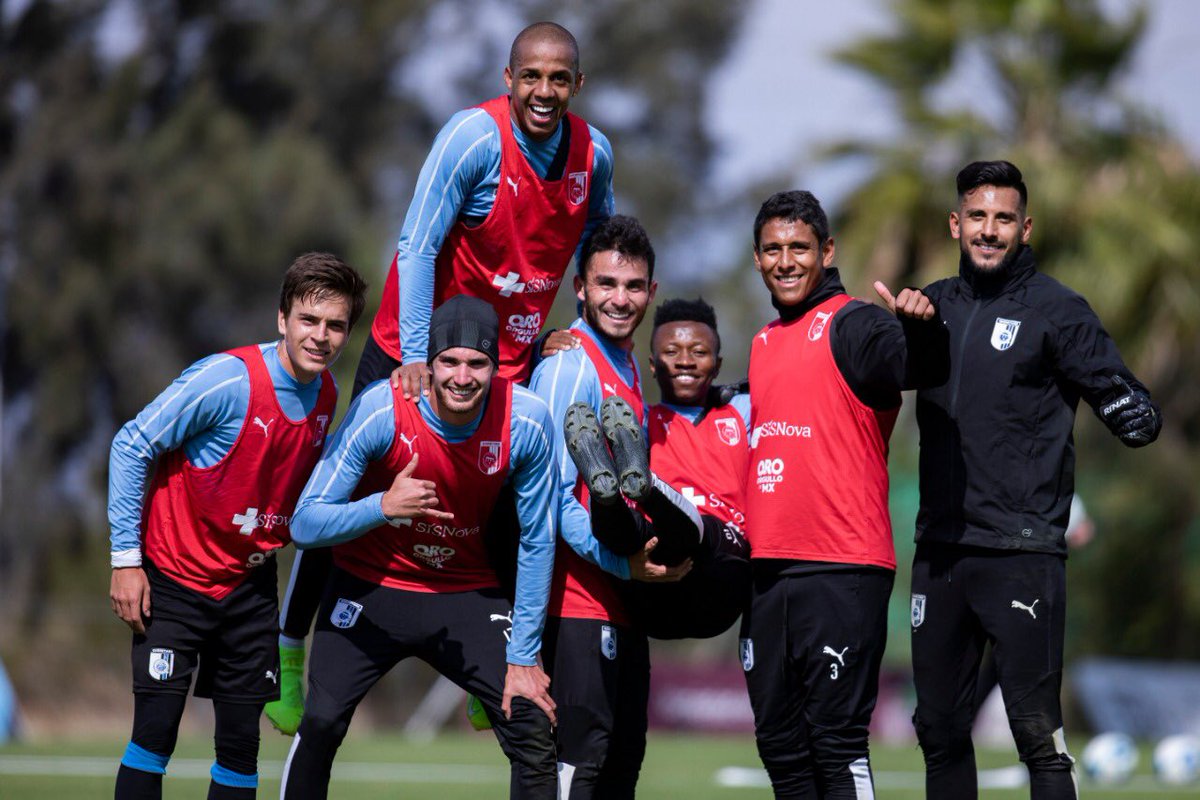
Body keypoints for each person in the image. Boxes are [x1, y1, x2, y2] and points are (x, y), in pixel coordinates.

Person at [266, 20, 613, 733]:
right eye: (531, 77)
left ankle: (502, 664)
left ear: (577, 86)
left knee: (514, 507)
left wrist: (572, 335)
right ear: (507, 78)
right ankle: (291, 648)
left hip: (508, 363)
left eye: (558, 79)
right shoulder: (472, 139)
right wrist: (417, 355)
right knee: (344, 493)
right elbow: (418, 244)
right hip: (412, 349)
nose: (543, 91)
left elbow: (599, 253)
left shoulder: (594, 155)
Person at [908, 160, 1161, 800]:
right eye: (977, 217)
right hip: (939, 552)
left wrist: (1129, 408)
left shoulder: (1059, 310)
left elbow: (1128, 403)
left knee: (1038, 739)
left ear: (1025, 227)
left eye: (1003, 219)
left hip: (1022, 553)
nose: (988, 230)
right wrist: (902, 334)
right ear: (955, 222)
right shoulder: (929, 305)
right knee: (938, 730)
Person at [107, 253, 367, 800]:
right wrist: (126, 561)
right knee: (153, 739)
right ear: (282, 319)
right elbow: (132, 444)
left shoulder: (327, 396)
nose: (320, 337)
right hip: (173, 581)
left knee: (240, 753)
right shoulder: (226, 379)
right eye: (309, 320)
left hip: (248, 590)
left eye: (336, 325)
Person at [279, 296, 559, 800]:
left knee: (532, 724)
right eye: (449, 361)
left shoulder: (528, 421)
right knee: (320, 724)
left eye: (478, 363)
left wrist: (523, 656)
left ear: (497, 368)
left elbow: (538, 541)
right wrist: (382, 506)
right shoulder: (382, 409)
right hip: (371, 585)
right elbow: (305, 523)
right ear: (427, 365)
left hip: (466, 591)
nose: (462, 376)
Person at [740, 190, 949, 798]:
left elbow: (915, 366)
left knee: (835, 747)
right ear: (757, 259)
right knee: (780, 748)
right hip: (767, 574)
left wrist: (922, 332)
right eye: (772, 250)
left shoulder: (856, 323)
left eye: (799, 248)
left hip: (841, 569)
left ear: (826, 251)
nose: (785, 261)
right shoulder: (761, 343)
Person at [527, 214, 686, 798]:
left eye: (634, 286)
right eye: (606, 285)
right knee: (579, 766)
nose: (621, 299)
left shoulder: (623, 366)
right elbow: (546, 501)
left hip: (621, 598)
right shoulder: (570, 366)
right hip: (573, 604)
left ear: (651, 290)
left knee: (620, 770)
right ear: (580, 289)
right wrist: (621, 564)